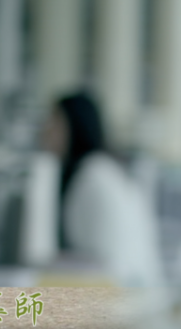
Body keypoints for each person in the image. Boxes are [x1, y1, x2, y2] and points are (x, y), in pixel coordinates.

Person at [40, 92, 164, 289]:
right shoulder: (103, 170)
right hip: (127, 291)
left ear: (75, 126)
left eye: (54, 123)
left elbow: (102, 263)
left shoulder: (92, 176)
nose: (45, 132)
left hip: (117, 292)